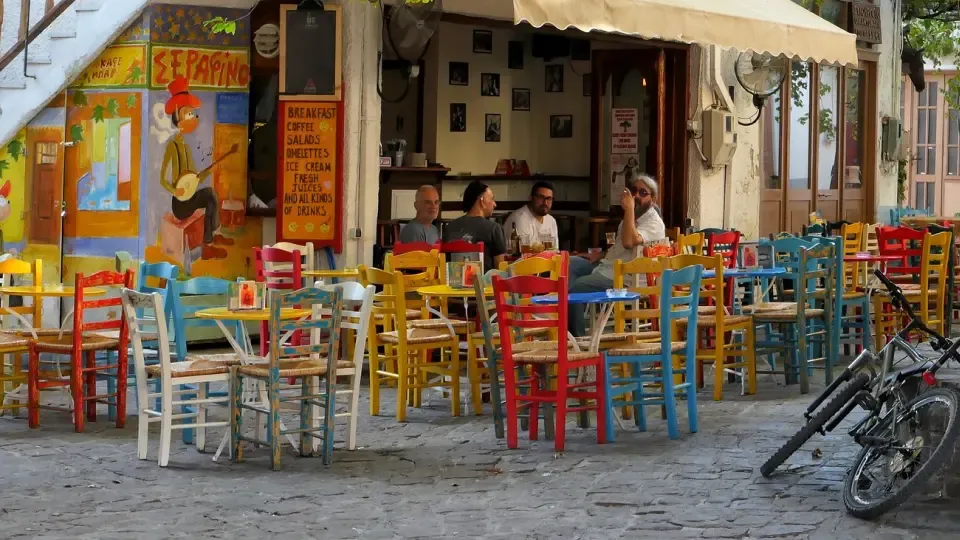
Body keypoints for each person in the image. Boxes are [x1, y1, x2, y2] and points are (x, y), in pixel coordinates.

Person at [568, 174, 666, 337]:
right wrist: (598, 255)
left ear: (653, 199)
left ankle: (576, 338)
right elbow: (621, 248)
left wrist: (629, 210)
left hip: (627, 277)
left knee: (575, 288)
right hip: (610, 265)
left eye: (643, 193)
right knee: (569, 263)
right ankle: (570, 322)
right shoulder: (632, 217)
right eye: (634, 191)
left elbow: (629, 242)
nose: (636, 196)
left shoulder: (654, 222)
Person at [159, 76, 232, 260]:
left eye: (193, 114)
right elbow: (162, 179)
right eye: (189, 114)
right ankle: (208, 245)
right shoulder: (172, 146)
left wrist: (211, 169)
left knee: (211, 194)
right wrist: (175, 190)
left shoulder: (185, 146)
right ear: (178, 117)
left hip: (189, 197)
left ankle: (212, 236)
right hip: (181, 204)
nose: (193, 117)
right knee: (209, 197)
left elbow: (195, 176)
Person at [442, 180, 507, 272]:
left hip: (451, 284)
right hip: (484, 285)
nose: (495, 204)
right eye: (492, 199)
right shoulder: (494, 229)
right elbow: (501, 270)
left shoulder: (450, 227)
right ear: (482, 201)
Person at [502, 181, 559, 250]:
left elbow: (555, 251)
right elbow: (523, 255)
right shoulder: (519, 218)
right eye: (541, 197)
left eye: (549, 198)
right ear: (531, 198)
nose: (545, 202)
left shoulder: (551, 220)